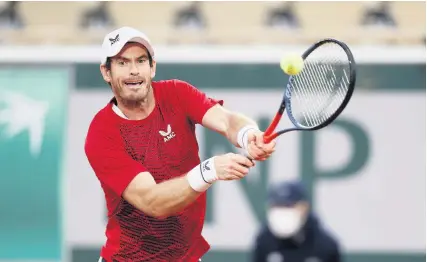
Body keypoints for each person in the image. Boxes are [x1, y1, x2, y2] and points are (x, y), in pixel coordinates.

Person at [84, 26, 276, 262]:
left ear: (152, 67)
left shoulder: (177, 93)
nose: (134, 71)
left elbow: (226, 120)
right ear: (106, 72)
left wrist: (248, 135)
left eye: (141, 61)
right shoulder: (102, 133)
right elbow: (152, 201)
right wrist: (209, 171)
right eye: (122, 63)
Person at [252, 181, 341, 262]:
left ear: (304, 207)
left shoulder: (325, 246)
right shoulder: (264, 241)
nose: (282, 212)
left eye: (288, 206)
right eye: (277, 205)